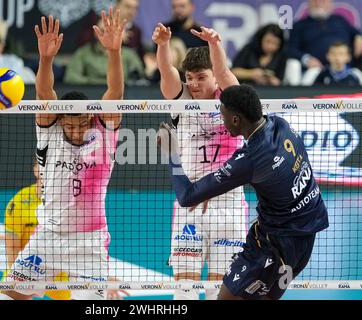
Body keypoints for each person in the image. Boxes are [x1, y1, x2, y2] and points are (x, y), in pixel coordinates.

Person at [0, 9, 127, 300]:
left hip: (89, 243)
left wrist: (114, 52)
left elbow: (115, 93)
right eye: (70, 122)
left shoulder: (103, 133)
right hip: (47, 238)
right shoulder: (49, 130)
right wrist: (45, 59)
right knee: (9, 296)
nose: (77, 128)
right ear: (60, 119)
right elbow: (44, 94)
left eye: (82, 122)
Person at [157, 84, 329, 300]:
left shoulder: (250, 159)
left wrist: (171, 154)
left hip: (273, 242)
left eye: (223, 115)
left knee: (225, 297)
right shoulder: (280, 124)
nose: (222, 121)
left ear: (236, 120)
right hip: (307, 232)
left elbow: (187, 196)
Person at [152, 24, 247, 300]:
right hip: (191, 206)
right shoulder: (181, 99)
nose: (193, 84)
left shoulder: (231, 100)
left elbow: (225, 74)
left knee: (222, 293)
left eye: (201, 77)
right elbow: (167, 73)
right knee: (184, 293)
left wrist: (215, 45)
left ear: (214, 78)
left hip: (228, 207)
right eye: (190, 77)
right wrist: (162, 45)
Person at [0, 159, 70, 300]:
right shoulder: (18, 203)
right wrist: (23, 283)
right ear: (35, 170)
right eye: (43, 166)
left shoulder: (68, 201)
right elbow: (12, 248)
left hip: (59, 271)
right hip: (26, 265)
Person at [64, 14, 145, 85]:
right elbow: (71, 77)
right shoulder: (83, 53)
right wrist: (99, 83)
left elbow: (140, 80)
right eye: (102, 31)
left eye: (110, 32)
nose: (107, 36)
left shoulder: (129, 54)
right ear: (95, 33)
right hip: (91, 96)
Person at [287, 0, 362, 70]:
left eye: (323, 1)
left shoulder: (340, 20)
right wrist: (306, 59)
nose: (318, 4)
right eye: (315, 1)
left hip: (346, 68)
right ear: (309, 4)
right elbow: (291, 49)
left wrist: (359, 38)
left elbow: (356, 33)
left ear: (330, 4)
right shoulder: (299, 25)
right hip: (314, 70)